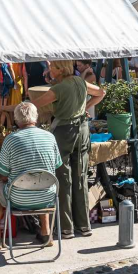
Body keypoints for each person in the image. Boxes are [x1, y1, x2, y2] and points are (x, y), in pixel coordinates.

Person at [28, 60, 103, 239]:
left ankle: (66, 228)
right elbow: (101, 93)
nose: (49, 69)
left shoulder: (59, 89)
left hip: (64, 131)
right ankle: (84, 225)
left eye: (52, 67)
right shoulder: (80, 81)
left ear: (60, 69)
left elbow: (34, 105)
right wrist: (85, 107)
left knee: (62, 177)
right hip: (82, 130)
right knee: (80, 177)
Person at [0, 101, 63, 250]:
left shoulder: (10, 140)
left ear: (16, 120)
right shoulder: (50, 137)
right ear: (36, 117)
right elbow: (54, 167)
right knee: (42, 180)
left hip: (18, 199)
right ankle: (46, 232)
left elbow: (2, 175)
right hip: (48, 197)